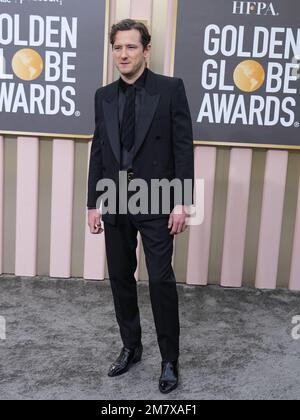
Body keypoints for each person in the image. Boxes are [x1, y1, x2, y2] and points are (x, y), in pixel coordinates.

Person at [87, 19, 194, 394]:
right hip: (115, 200)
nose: (123, 54)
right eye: (118, 47)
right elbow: (98, 149)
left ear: (146, 50)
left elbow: (183, 148)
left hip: (158, 199)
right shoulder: (103, 95)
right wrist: (92, 204)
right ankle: (131, 346)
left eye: (131, 47)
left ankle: (169, 359)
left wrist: (182, 201)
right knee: (120, 278)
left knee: (161, 281)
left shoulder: (169, 90)